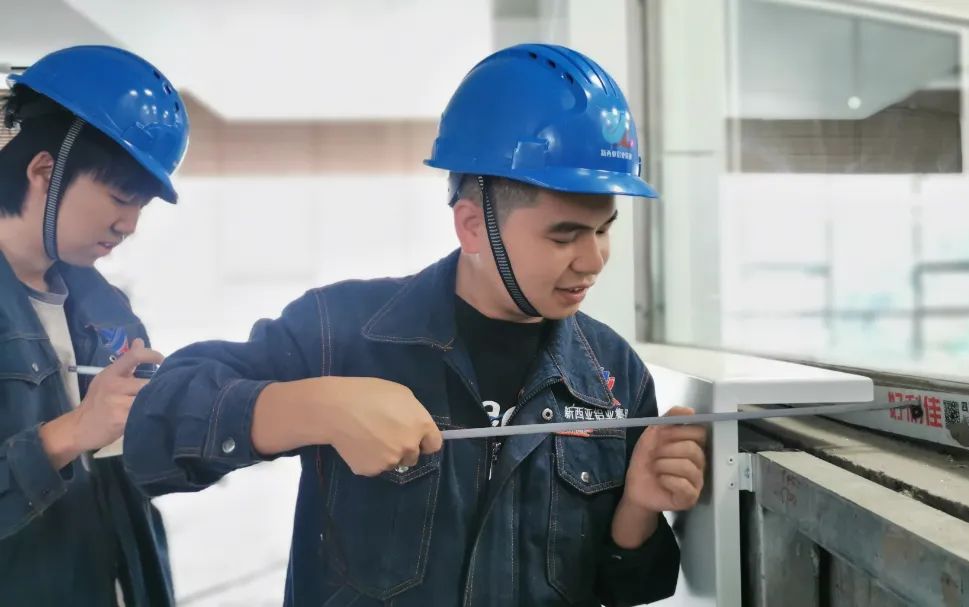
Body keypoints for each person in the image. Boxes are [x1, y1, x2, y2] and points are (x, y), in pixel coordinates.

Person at [124, 43, 706, 606]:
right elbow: (155, 429)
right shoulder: (341, 333)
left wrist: (638, 511)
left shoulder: (611, 375)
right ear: (473, 226)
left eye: (603, 229)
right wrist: (311, 407)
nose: (594, 260)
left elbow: (629, 588)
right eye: (565, 236)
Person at [0, 45, 188, 605]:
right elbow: (84, 434)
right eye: (120, 197)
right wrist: (70, 433)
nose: (129, 225)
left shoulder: (107, 309)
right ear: (43, 171)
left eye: (141, 206)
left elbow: (131, 472)